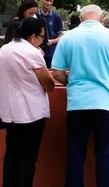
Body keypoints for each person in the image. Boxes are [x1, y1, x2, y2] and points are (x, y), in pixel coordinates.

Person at [51, 5, 109, 187]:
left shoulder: (68, 37)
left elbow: (57, 73)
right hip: (105, 102)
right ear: (101, 18)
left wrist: (72, 82)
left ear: (80, 19)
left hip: (77, 102)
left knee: (76, 155)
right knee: (105, 155)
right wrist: (108, 77)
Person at [0, 17, 55, 187]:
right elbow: (48, 84)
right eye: (41, 37)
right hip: (31, 113)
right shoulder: (32, 53)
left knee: (11, 155)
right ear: (32, 36)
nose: (42, 41)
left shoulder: (4, 49)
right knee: (27, 159)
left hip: (9, 112)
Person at [36, 0, 64, 68]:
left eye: (51, 1)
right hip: (37, 50)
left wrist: (53, 41)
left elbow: (60, 36)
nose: (49, 3)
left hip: (52, 52)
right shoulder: (36, 15)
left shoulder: (56, 16)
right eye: (47, 0)